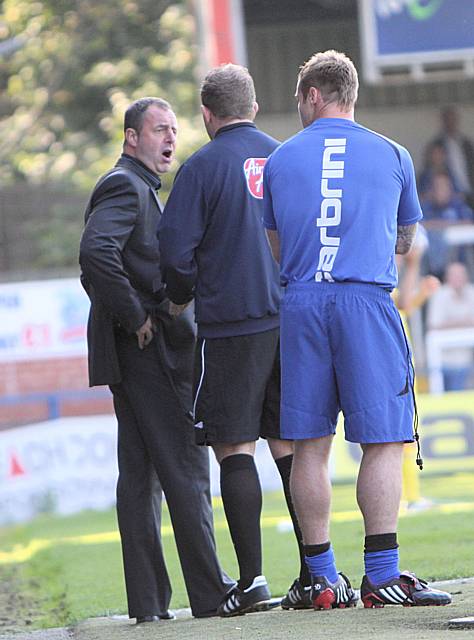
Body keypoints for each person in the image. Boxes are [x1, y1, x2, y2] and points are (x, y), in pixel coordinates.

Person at [263, 50, 452, 610]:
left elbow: (277, 247)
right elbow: (406, 237)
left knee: (309, 446)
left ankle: (320, 579)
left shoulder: (279, 160)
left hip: (302, 301)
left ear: (312, 95)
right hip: (365, 299)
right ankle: (382, 574)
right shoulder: (393, 153)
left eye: (300, 99)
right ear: (351, 95)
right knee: (384, 441)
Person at [158, 64, 312, 616]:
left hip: (231, 328)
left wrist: (179, 296)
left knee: (235, 447)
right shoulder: (287, 156)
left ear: (206, 115)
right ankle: (315, 574)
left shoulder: (200, 169)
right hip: (292, 322)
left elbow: (174, 255)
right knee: (290, 446)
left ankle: (252, 582)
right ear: (253, 103)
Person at [79, 97, 232, 624]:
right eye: (158, 130)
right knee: (186, 468)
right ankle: (211, 593)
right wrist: (135, 317)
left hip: (132, 354)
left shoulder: (135, 186)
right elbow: (95, 253)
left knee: (140, 477)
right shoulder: (125, 184)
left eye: (174, 129)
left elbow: (99, 261)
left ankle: (148, 604)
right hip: (149, 352)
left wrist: (126, 313)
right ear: (131, 139)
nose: (170, 138)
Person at [427, 261, 474, 391]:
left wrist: (450, 323)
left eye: (460, 275)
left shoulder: (471, 292)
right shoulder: (440, 295)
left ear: (466, 276)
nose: (457, 278)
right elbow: (433, 325)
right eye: (454, 275)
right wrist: (465, 322)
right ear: (447, 277)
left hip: (467, 362)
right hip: (443, 362)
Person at [428, 106, 474, 206]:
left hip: (470, 190)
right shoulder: (437, 144)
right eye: (447, 120)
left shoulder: (466, 144)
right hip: (451, 197)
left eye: (453, 120)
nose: (451, 123)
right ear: (443, 122)